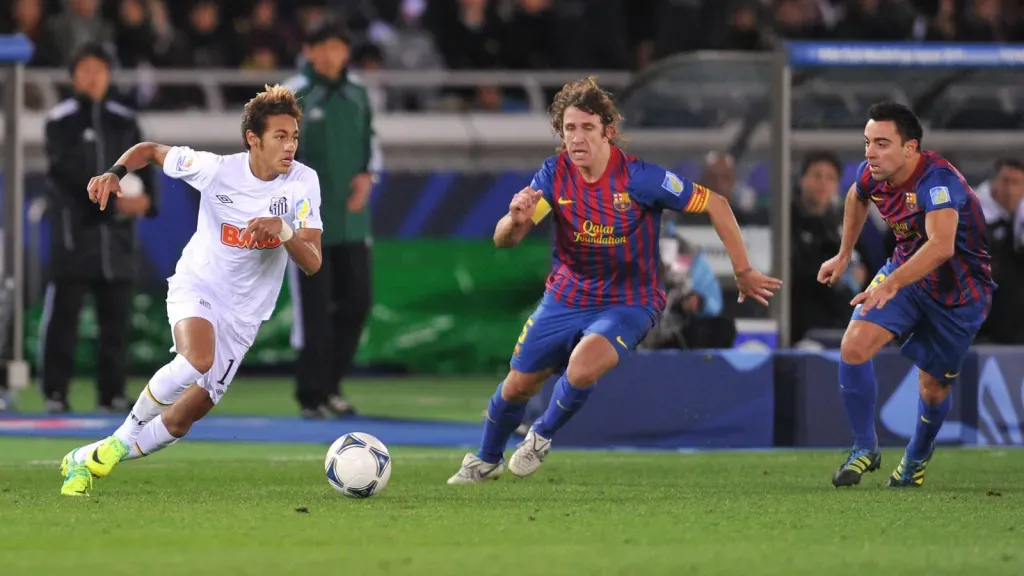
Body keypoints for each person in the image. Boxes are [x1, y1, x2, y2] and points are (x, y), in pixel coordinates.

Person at [446, 77, 782, 485]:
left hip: (629, 302)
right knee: (516, 387)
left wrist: (743, 270)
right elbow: (505, 240)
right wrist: (515, 220)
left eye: (587, 127)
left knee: (582, 367)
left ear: (607, 130)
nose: (577, 137)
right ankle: (486, 460)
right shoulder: (553, 175)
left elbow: (717, 203)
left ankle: (540, 435)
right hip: (565, 298)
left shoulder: (640, 178)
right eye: (570, 128)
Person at [58, 85, 324, 497]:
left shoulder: (303, 182)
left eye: (294, 137)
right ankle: (120, 439)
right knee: (198, 358)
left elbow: (313, 261)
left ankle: (88, 456)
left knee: (182, 420)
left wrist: (285, 230)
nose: (290, 146)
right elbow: (149, 150)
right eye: (280, 136)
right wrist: (115, 172)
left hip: (244, 315)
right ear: (253, 139)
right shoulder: (214, 169)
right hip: (199, 285)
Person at [819, 101, 995, 489]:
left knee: (933, 387)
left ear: (910, 148)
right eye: (867, 142)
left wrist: (891, 283)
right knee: (853, 347)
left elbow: (941, 246)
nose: (870, 153)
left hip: (958, 295)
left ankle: (916, 457)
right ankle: (864, 447)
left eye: (881, 143)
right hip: (906, 275)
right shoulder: (873, 174)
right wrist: (844, 254)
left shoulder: (938, 182)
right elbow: (856, 196)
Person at [40, 41, 158, 413]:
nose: (93, 77)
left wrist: (148, 200)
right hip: (76, 236)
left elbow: (144, 163)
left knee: (116, 323)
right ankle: (55, 393)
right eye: (85, 70)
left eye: (99, 70)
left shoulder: (125, 119)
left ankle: (112, 394)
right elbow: (63, 173)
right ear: (73, 76)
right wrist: (111, 203)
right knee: (64, 321)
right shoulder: (60, 120)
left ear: (109, 74)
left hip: (117, 241)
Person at [284, 21, 379, 418]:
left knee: (357, 302)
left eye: (337, 47)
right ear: (308, 51)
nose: (330, 55)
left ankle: (331, 386)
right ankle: (311, 394)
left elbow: (370, 143)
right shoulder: (291, 94)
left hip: (353, 221)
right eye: (321, 47)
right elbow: (275, 153)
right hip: (308, 225)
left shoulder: (358, 93)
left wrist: (368, 176)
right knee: (315, 311)